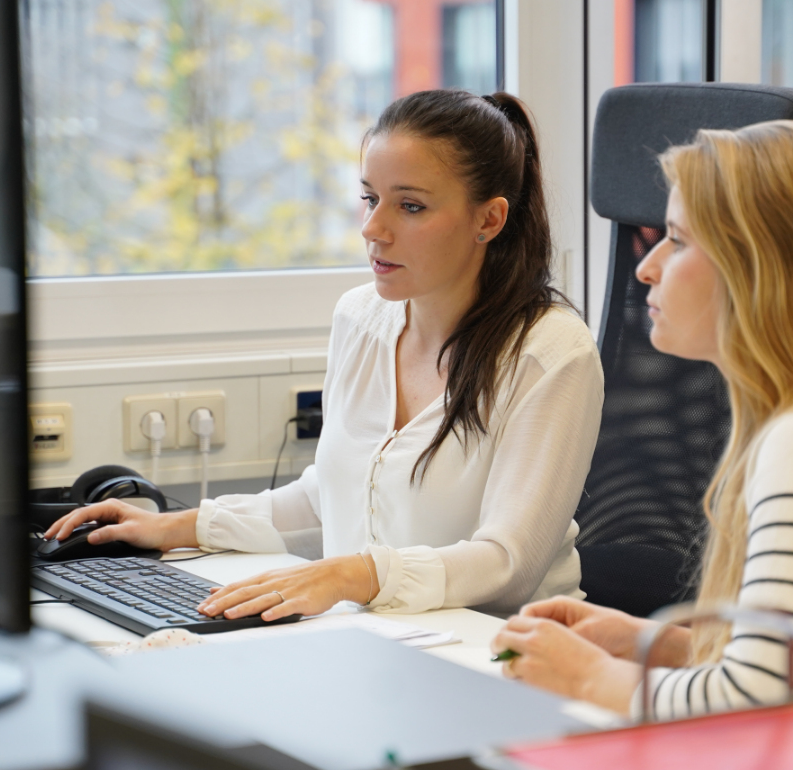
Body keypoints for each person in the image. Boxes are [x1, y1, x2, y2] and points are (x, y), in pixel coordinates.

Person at [45, 89, 603, 621]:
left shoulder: (550, 353)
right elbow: (330, 500)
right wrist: (173, 525)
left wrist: (352, 576)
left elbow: (509, 563)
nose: (372, 228)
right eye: (369, 197)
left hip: (504, 658)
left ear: (490, 219)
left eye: (410, 206)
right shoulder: (360, 319)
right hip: (376, 639)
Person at [492, 120, 793, 719]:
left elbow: (755, 702)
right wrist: (653, 644)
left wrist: (588, 678)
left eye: (679, 240)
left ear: (769, 267)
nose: (647, 267)